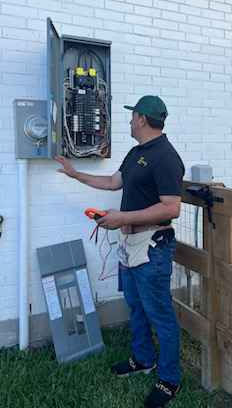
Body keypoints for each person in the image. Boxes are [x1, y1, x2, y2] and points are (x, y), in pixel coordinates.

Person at [56, 95, 185, 408]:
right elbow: (114, 183)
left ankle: (170, 379)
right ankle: (143, 359)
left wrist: (121, 219)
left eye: (132, 117)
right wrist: (76, 175)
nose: (129, 121)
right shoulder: (137, 153)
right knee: (136, 306)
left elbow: (172, 207)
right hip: (130, 245)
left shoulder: (166, 157)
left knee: (160, 314)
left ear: (141, 118)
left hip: (152, 248)